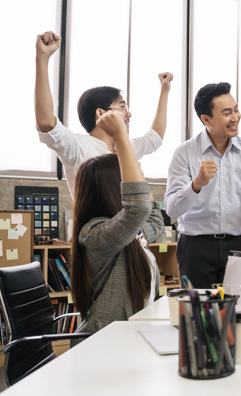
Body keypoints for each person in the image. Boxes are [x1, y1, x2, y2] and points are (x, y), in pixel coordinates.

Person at [35, 31, 173, 197]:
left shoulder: (125, 147)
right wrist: (42, 58)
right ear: (101, 113)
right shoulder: (78, 146)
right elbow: (47, 123)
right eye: (122, 107)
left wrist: (165, 90)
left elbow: (155, 137)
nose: (129, 115)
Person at [164, 82, 241, 289]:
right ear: (206, 119)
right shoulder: (185, 152)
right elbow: (171, 208)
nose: (235, 118)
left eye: (236, 110)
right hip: (195, 246)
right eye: (226, 113)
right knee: (199, 315)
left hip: (238, 243)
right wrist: (196, 184)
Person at [71, 111, 164, 334]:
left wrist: (137, 173)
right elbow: (139, 209)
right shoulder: (95, 234)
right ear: (115, 188)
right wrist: (121, 137)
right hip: (104, 342)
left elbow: (155, 222)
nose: (138, 178)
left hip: (131, 336)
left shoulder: (130, 232)